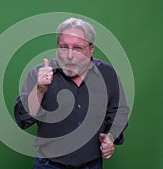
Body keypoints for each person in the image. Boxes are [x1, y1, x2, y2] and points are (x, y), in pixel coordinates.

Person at [14, 17, 130, 169]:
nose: (69, 55)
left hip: (91, 165)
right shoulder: (39, 74)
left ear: (90, 50)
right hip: (48, 165)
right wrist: (40, 89)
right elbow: (23, 120)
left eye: (77, 48)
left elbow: (119, 111)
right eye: (63, 47)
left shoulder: (107, 74)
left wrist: (110, 136)